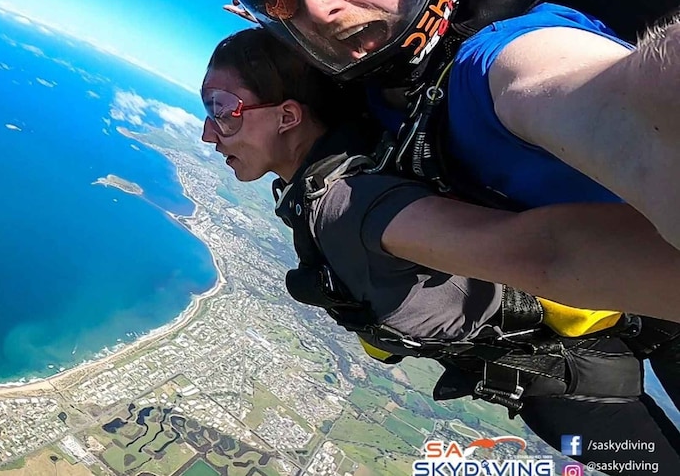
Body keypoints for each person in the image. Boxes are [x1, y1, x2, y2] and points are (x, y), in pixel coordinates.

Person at [145, 0, 680, 326]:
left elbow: (617, 99)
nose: (317, 7)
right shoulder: (388, 77)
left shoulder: (502, 58)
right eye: (285, 3)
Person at [201, 27, 680, 473]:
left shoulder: (349, 203)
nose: (208, 131)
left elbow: (544, 254)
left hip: (575, 383)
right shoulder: (320, 186)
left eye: (222, 109)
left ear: (288, 115)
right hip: (566, 370)